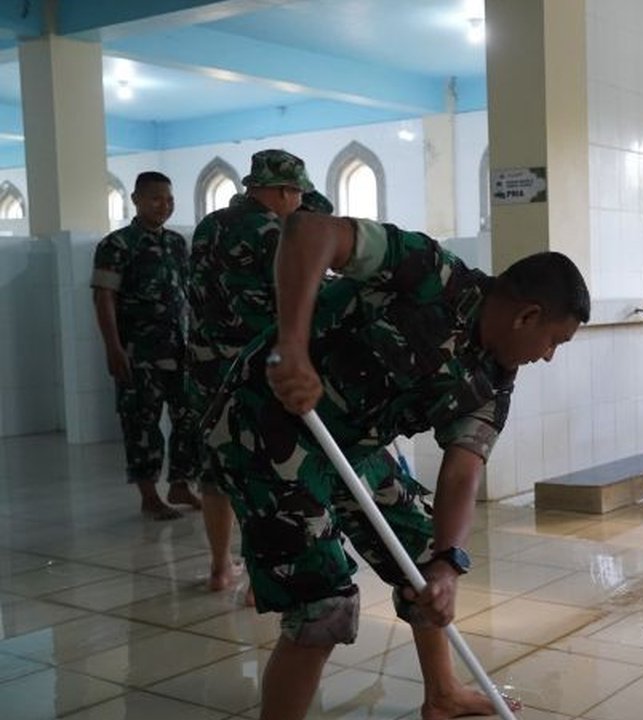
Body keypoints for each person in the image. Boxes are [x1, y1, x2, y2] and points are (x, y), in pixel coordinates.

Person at [205, 211, 588, 720]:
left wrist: (448, 565)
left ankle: (443, 695)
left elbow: (462, 470)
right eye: (554, 342)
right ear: (527, 316)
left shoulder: (494, 377)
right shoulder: (428, 272)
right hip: (263, 429)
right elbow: (309, 231)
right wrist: (292, 347)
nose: (548, 357)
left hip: (351, 449)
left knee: (426, 558)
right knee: (324, 609)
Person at [187, 149, 313, 596]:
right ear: (283, 190)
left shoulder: (207, 226)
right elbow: (300, 297)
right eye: (298, 194)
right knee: (261, 477)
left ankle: (220, 568)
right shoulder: (276, 231)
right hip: (256, 371)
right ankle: (261, 583)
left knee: (215, 472)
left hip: (204, 369)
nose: (299, 203)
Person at [91, 171, 202, 520]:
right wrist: (113, 348)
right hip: (139, 353)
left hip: (180, 350)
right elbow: (104, 296)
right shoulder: (118, 244)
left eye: (169, 198)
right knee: (141, 424)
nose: (164, 205)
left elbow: (188, 296)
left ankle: (181, 483)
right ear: (136, 200)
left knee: (189, 419)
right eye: (156, 198)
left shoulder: (176, 243)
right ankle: (149, 495)